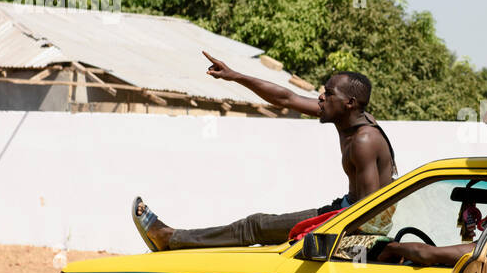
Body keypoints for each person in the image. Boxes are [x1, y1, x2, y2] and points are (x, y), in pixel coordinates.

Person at [133, 56, 396, 250]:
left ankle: (170, 239)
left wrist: (325, 239)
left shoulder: (364, 140)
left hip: (352, 221)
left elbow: (369, 210)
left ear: (349, 103)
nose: (320, 98)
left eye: (328, 94)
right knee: (258, 227)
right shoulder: (348, 118)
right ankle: (173, 238)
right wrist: (236, 76)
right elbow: (286, 99)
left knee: (255, 226)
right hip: (345, 212)